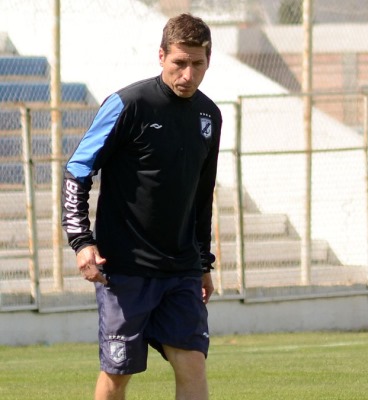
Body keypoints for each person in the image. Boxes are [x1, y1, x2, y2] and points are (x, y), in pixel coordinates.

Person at [62, 13, 222, 400]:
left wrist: (203, 264)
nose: (187, 74)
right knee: (117, 375)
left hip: (181, 269)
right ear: (161, 56)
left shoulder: (209, 116)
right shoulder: (127, 104)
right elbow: (78, 169)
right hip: (125, 270)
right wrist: (81, 241)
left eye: (196, 64)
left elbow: (202, 194)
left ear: (208, 60)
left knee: (192, 365)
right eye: (179, 63)